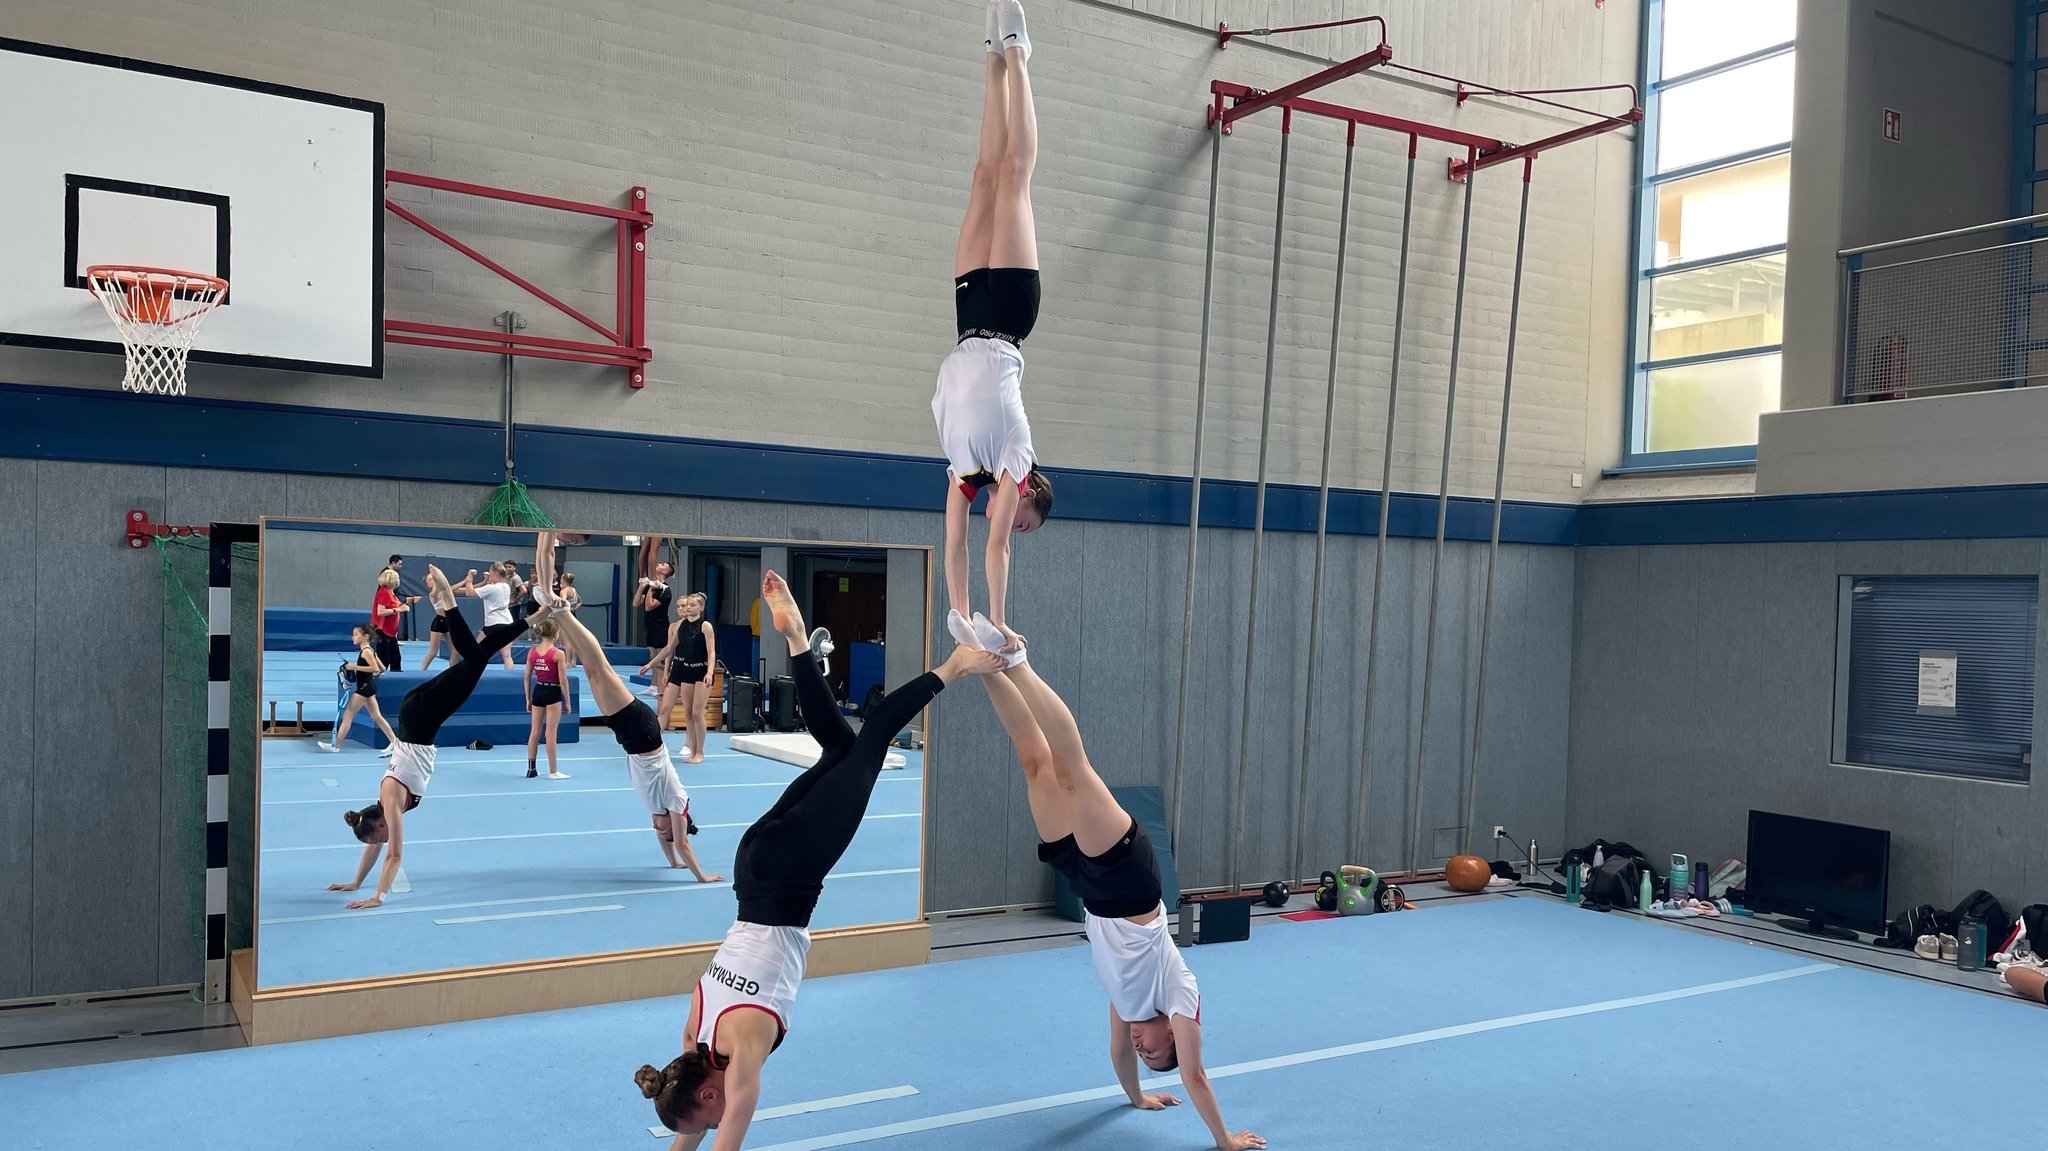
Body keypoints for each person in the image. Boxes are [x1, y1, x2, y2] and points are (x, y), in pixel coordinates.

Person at [634, 570, 1003, 1149]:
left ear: (710, 1095)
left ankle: (957, 663)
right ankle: (799, 639)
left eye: (706, 1117)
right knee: (843, 747)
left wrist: (710, 1133)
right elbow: (690, 1128)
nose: (709, 1125)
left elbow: (723, 1139)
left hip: (791, 876)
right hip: (751, 867)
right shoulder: (690, 1043)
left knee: (875, 739)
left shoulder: (745, 1052)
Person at [968, 620, 1263, 1151]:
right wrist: (1224, 1141)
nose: (1139, 1047)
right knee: (1072, 770)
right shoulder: (1180, 994)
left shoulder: (1127, 1007)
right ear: (1172, 1032)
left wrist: (1137, 1099)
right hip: (1130, 883)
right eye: (1154, 1052)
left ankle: (981, 662)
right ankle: (1019, 662)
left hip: (1089, 890)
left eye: (1145, 1056)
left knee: (1035, 767)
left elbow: (1118, 1055)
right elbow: (1194, 1075)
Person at [934, 0, 1054, 657]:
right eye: (1030, 520)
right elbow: (994, 545)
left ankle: (990, 59)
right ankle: (1019, 56)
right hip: (1008, 316)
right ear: (1030, 491)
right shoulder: (1014, 458)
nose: (1016, 525)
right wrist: (1001, 623)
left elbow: (955, 542)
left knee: (982, 179)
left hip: (967, 319)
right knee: (1014, 180)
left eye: (1021, 524)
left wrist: (961, 615)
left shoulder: (965, 469)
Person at [329, 567, 554, 909]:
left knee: (476, 660)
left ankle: (449, 606)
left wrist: (378, 896)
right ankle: (535, 614)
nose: (382, 838)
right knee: (480, 655)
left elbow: (395, 854)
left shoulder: (390, 801)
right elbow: (375, 846)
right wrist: (355, 882)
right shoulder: (380, 812)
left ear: (378, 822)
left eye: (378, 833)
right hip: (415, 716)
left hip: (421, 721)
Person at [530, 534, 718, 877]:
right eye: (665, 829)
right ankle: (563, 613)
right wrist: (699, 874)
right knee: (599, 666)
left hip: (629, 739)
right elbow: (682, 842)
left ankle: (562, 615)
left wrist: (672, 862)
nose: (658, 829)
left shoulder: (657, 812)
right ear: (679, 820)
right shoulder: (677, 802)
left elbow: (671, 843)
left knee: (590, 670)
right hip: (642, 732)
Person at [645, 592, 716, 763]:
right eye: (687, 604)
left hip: (701, 672)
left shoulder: (705, 626)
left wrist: (710, 672)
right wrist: (650, 664)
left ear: (701, 607)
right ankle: (691, 750)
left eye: (692, 605)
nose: (688, 607)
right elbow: (669, 649)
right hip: (685, 672)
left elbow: (711, 651)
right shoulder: (681, 626)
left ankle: (699, 752)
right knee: (689, 714)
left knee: (697, 713)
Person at [320, 623, 398, 755]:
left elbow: (376, 669)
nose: (353, 637)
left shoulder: (366, 652)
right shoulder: (370, 650)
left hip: (364, 687)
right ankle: (395, 742)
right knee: (376, 716)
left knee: (348, 714)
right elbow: (383, 668)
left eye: (356, 635)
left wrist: (354, 667)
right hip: (368, 686)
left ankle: (336, 745)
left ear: (365, 636)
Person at [524, 621, 570, 780]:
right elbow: (563, 680)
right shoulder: (558, 653)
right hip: (552, 691)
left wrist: (528, 698)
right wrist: (568, 701)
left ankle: (531, 769)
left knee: (534, 732)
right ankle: (553, 771)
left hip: (538, 690)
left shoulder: (532, 652)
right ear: (556, 634)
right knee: (550, 733)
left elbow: (526, 677)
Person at [452, 562, 520, 669]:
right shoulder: (506, 586)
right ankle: (510, 676)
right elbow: (490, 587)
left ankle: (470, 673)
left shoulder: (491, 588)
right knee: (507, 655)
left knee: (476, 650)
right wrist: (486, 580)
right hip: (507, 623)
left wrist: (470, 577)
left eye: (491, 573)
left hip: (493, 624)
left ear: (496, 573)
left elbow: (469, 592)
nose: (490, 574)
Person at [638, 560, 675, 699]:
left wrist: (651, 590)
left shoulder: (665, 590)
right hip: (650, 625)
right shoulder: (653, 585)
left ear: (666, 572)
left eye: (663, 565)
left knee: (662, 659)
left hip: (661, 626)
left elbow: (648, 606)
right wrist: (646, 587)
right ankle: (653, 686)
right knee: (653, 657)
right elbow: (637, 602)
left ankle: (663, 686)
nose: (659, 564)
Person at [370, 569, 410, 672]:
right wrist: (397, 609)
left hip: (391, 632)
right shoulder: (384, 593)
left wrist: (402, 606)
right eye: (397, 579)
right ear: (392, 581)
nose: (399, 581)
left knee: (395, 658)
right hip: (383, 630)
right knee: (384, 659)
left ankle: (396, 678)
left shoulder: (391, 593)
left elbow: (396, 605)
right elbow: (380, 611)